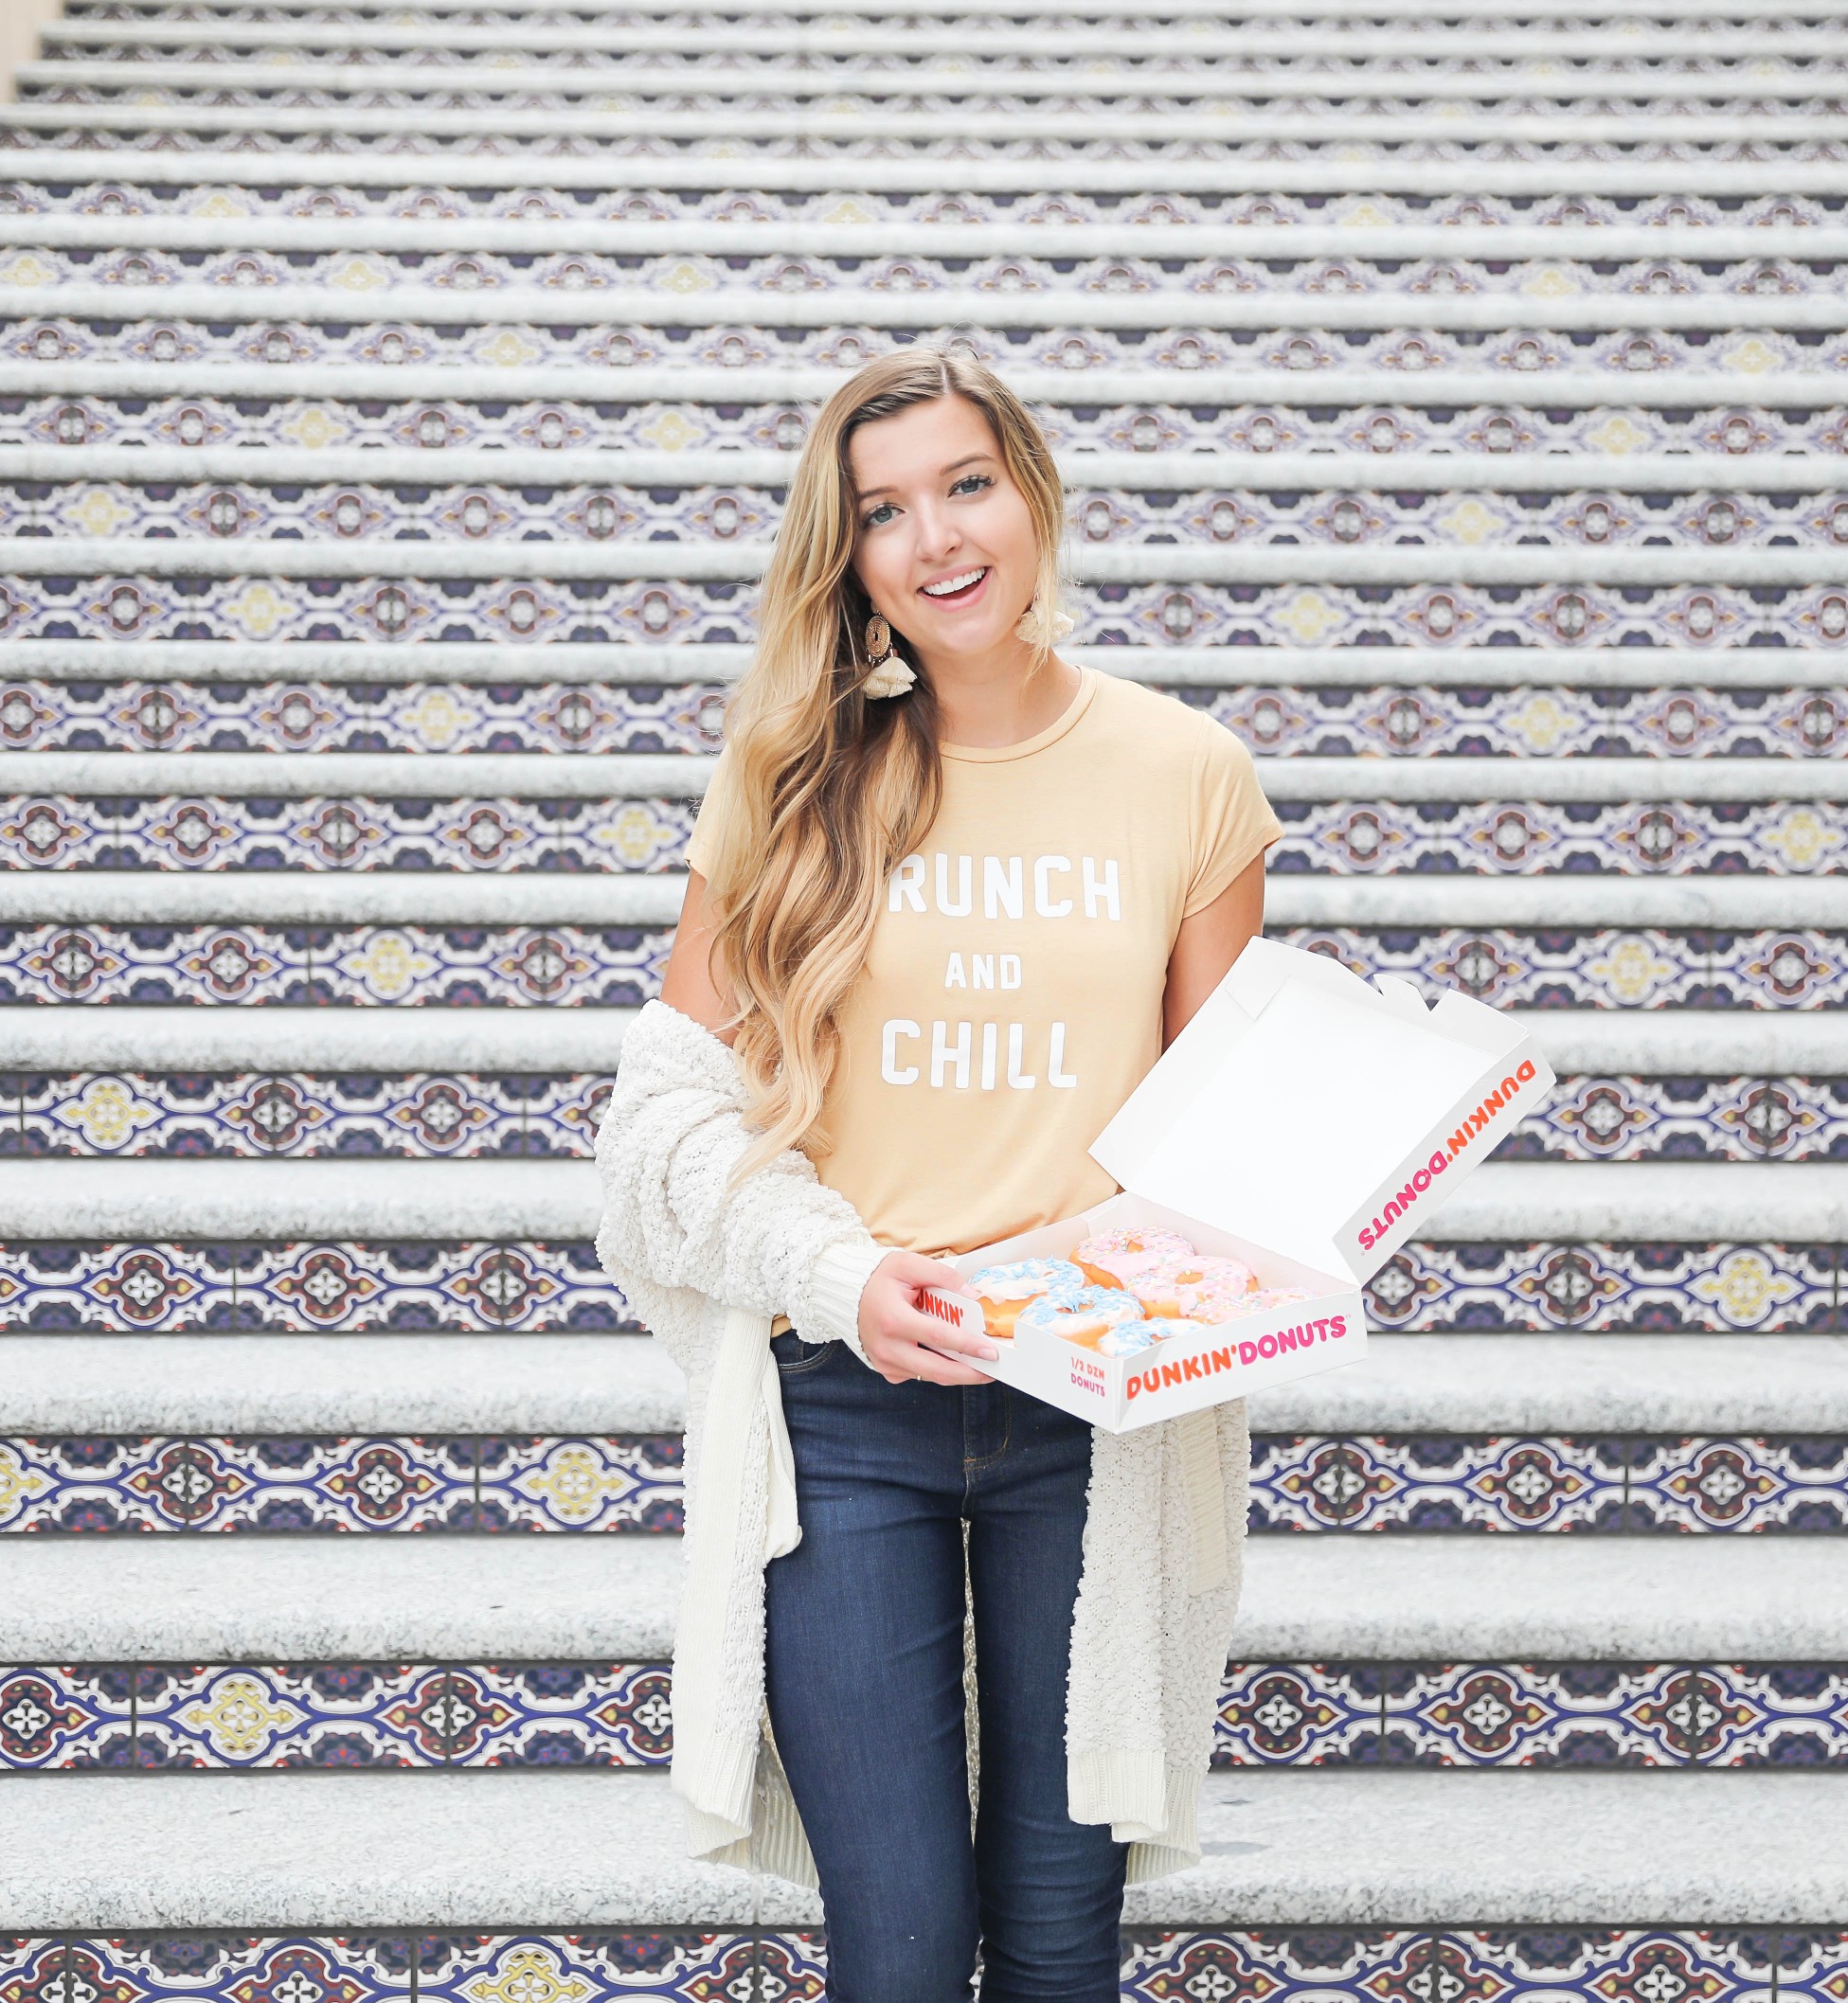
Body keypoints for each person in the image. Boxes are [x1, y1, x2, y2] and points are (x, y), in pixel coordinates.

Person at [594, 345, 1282, 2002]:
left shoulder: (1186, 773)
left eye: (966, 484)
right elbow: (664, 1123)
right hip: (844, 1401)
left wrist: (1357, 1142)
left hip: (1088, 1416)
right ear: (848, 560)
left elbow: (1223, 1140)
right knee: (896, 1955)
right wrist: (841, 1278)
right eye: (883, 512)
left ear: (1033, 495)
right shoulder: (788, 780)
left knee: (1059, 1946)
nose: (937, 539)